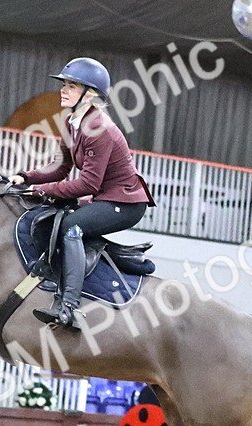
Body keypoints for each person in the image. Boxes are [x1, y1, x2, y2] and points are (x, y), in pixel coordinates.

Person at [10, 57, 155, 330]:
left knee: (71, 227)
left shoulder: (99, 129)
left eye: (72, 86)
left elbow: (88, 184)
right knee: (54, 217)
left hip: (125, 203)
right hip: (103, 197)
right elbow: (61, 168)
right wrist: (26, 177)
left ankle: (69, 308)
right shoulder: (71, 123)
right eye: (64, 85)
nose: (63, 90)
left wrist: (42, 190)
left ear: (90, 95)